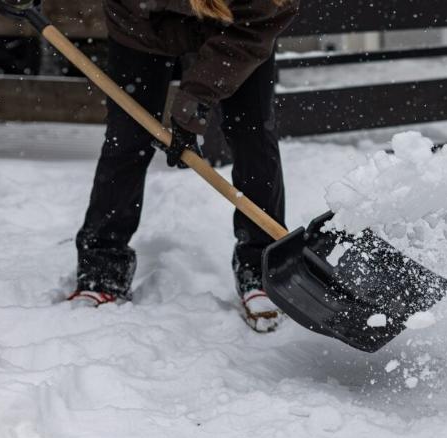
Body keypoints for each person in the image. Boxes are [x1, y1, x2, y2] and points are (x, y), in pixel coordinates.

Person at [66, 0, 299, 333]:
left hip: (241, 27)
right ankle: (103, 268)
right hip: (141, 22)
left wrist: (194, 105)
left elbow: (268, 13)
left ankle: (260, 266)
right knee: (127, 139)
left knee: (253, 137)